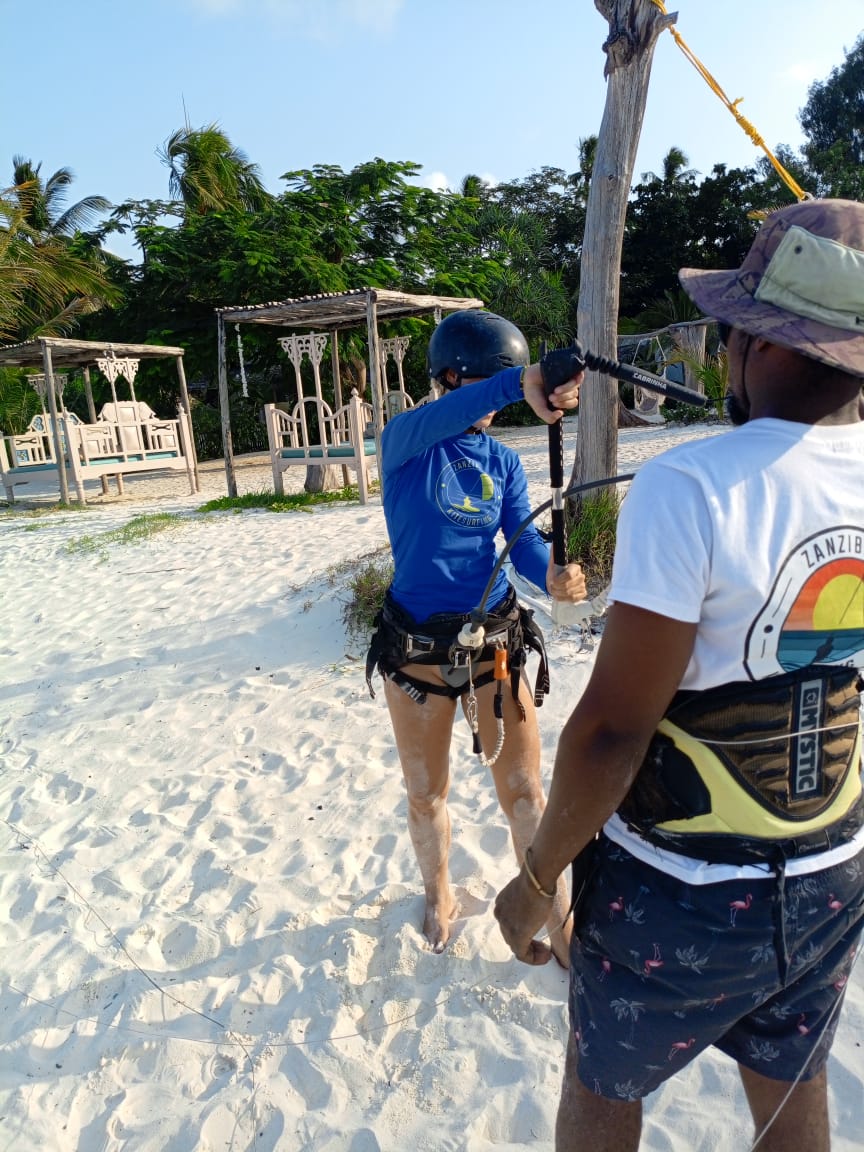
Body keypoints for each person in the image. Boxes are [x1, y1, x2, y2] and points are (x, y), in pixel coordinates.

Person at [494, 199, 864, 1152]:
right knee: (792, 1093)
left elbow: (615, 731)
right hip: (830, 872)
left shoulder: (690, 486)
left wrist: (539, 878)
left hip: (683, 890)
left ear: (756, 341)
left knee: (603, 1083)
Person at [366, 309, 587, 961]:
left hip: (495, 638)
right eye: (492, 385)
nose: (502, 400)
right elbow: (476, 400)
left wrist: (553, 574)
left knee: (524, 793)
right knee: (425, 790)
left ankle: (560, 918)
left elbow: (519, 544)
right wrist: (523, 379)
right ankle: (438, 891)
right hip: (417, 650)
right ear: (453, 378)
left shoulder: (502, 460)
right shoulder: (407, 440)